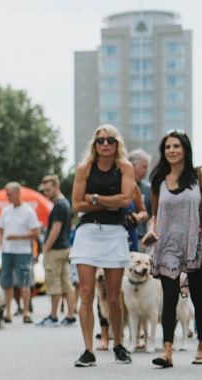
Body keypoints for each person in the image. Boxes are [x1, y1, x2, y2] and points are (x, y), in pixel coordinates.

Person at [142, 130, 202, 367]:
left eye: (176, 146)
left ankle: (201, 346)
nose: (172, 151)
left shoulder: (201, 176)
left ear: (185, 149)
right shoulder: (158, 179)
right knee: (169, 297)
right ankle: (167, 351)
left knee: (198, 296)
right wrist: (151, 230)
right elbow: (156, 214)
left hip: (196, 242)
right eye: (167, 147)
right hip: (167, 245)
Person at [69, 124, 135, 367]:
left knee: (114, 297)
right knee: (86, 293)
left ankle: (118, 344)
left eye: (110, 140)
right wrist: (109, 203)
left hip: (115, 233)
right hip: (87, 232)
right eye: (100, 140)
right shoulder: (85, 168)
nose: (105, 144)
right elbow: (77, 205)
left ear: (117, 144)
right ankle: (88, 349)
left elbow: (126, 200)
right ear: (94, 145)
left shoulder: (125, 167)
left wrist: (94, 198)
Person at [0, 182, 41, 324]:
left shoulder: (28, 211)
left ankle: (26, 311)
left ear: (17, 193)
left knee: (25, 283)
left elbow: (36, 232)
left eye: (9, 194)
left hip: (23, 251)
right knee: (7, 282)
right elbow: (0, 230)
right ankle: (8, 311)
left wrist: (19, 236)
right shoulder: (5, 211)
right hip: (7, 251)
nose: (7, 197)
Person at [36, 175, 77, 327]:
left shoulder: (59, 205)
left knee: (54, 283)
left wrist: (46, 247)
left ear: (56, 187)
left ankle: (53, 315)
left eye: (48, 190)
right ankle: (70, 314)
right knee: (66, 283)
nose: (46, 193)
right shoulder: (65, 203)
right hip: (65, 247)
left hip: (55, 249)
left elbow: (56, 228)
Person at [128, 149, 153, 246]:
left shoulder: (148, 189)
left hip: (141, 240)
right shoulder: (118, 185)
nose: (146, 171)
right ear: (133, 166)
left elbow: (152, 216)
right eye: (144, 167)